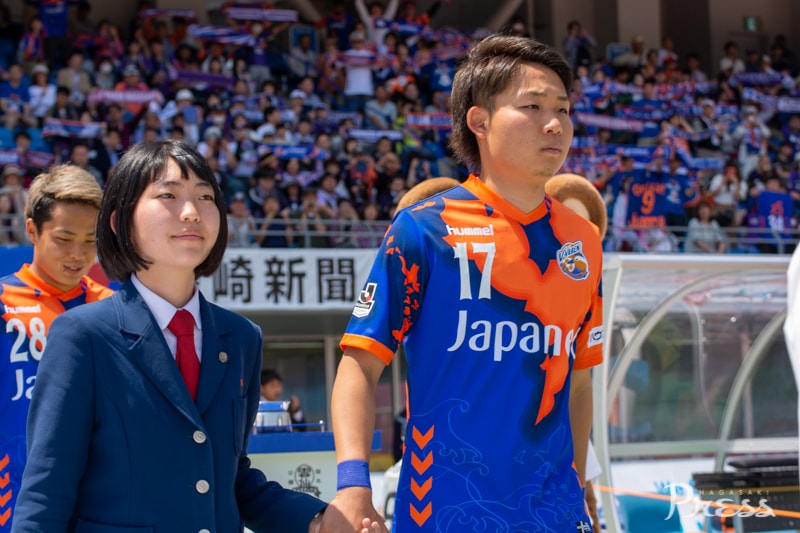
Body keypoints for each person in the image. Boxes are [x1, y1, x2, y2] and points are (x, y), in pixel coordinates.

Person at [318, 35, 603, 532]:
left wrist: (577, 486)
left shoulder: (583, 241)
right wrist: (353, 485)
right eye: (533, 106)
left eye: (563, 108)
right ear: (479, 121)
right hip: (444, 513)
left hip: (555, 515)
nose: (555, 123)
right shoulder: (423, 228)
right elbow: (359, 365)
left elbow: (579, 381)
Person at [11, 140, 343, 532]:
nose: (192, 212)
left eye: (205, 197)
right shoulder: (83, 335)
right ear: (120, 222)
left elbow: (230, 478)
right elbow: (47, 492)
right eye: (168, 195)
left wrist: (317, 520)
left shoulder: (241, 338)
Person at [1, 165, 114, 531]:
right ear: (32, 230)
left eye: (90, 241)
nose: (78, 254)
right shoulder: (3, 304)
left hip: (97, 508)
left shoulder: (114, 310)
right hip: (13, 503)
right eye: (64, 239)